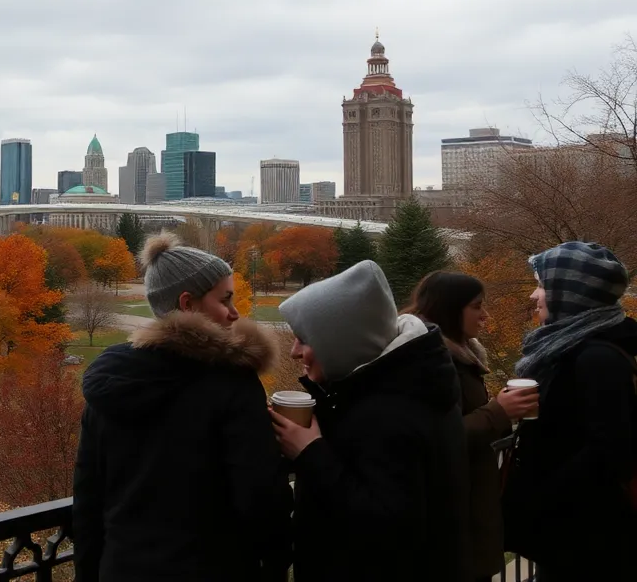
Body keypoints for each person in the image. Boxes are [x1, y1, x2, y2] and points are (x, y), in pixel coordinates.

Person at [72, 232, 292, 582]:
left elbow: (88, 500)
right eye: (226, 300)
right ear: (188, 303)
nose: (235, 313)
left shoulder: (110, 380)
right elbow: (259, 496)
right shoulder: (232, 382)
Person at [272, 259, 469, 582]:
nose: (294, 351)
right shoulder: (409, 385)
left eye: (303, 340)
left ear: (340, 343)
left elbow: (385, 525)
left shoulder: (389, 414)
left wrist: (310, 453)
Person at [501, 241, 637, 579]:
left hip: (585, 536)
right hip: (574, 529)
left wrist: (541, 498)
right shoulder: (572, 347)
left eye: (542, 285)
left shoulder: (597, 357)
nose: (534, 296)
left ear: (570, 293)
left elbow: (608, 451)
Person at [408, 271, 537, 582]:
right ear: (450, 307)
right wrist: (498, 412)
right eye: (477, 306)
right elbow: (435, 439)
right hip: (450, 520)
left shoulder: (458, 355)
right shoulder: (429, 361)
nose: (485, 315)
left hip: (467, 512)